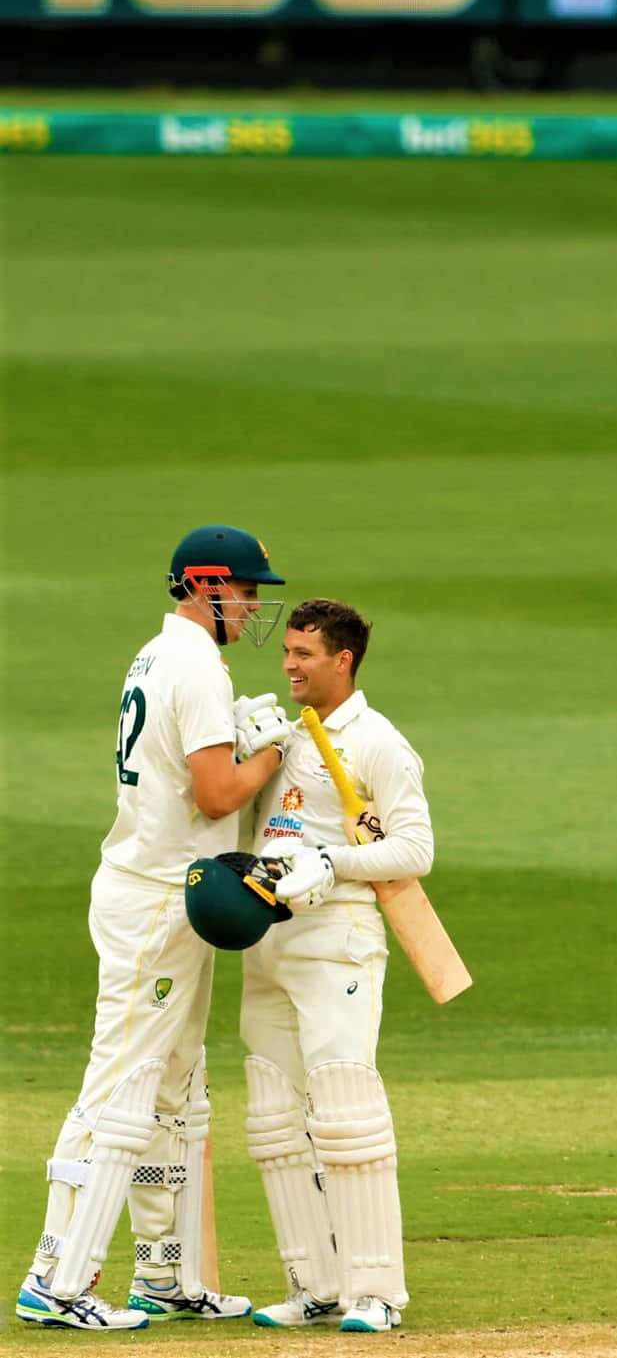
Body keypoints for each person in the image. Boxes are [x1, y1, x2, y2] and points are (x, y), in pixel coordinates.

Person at [17, 524, 292, 1331]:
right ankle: (55, 1277)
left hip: (163, 889)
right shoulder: (196, 667)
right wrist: (268, 753)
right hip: (155, 898)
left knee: (176, 1087)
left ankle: (163, 1276)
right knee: (122, 1083)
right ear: (206, 585)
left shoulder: (156, 653)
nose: (250, 604)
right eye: (243, 589)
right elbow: (215, 794)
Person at [239, 598, 435, 1335]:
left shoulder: (378, 742)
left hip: (338, 939)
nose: (287, 664)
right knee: (273, 1116)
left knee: (345, 1113)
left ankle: (375, 1291)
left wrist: (331, 860)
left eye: (303, 654)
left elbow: (414, 850)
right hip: (270, 941)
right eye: (285, 651)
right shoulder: (285, 736)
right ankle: (314, 1283)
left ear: (342, 659)